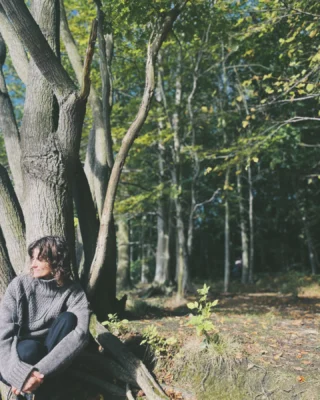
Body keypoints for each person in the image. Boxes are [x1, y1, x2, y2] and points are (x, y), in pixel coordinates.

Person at [0, 236, 90, 399]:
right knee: (29, 349)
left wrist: (36, 374)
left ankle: (32, 389)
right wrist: (18, 375)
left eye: (39, 259)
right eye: (32, 258)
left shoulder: (73, 292)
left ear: (56, 261)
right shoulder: (19, 285)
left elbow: (81, 335)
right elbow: (3, 334)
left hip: (49, 357)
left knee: (69, 319)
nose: (32, 264)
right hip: (15, 357)